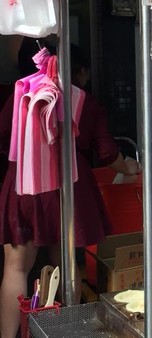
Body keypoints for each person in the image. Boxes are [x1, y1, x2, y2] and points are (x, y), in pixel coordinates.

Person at [0, 43, 140, 338]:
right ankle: (66, 330)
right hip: (68, 187)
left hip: (24, 186)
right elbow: (107, 153)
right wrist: (129, 168)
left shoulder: (20, 93)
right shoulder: (84, 101)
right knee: (65, 259)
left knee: (15, 268)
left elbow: (3, 138)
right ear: (80, 71)